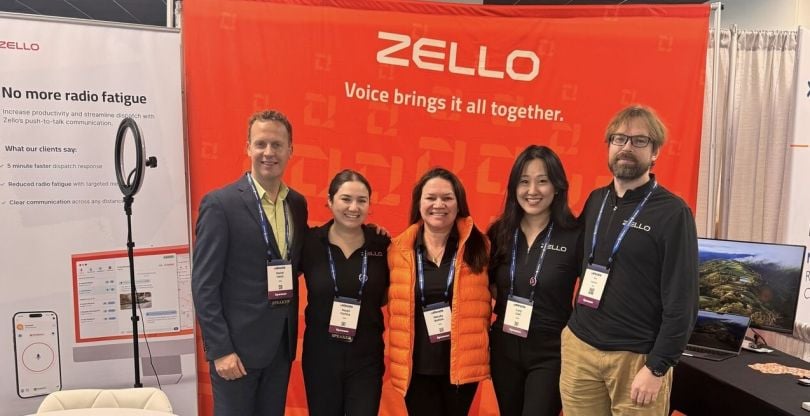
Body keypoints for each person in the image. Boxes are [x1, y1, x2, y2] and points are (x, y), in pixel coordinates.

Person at [559, 105, 699, 416]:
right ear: (609, 146)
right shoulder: (596, 200)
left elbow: (683, 301)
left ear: (655, 152)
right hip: (580, 350)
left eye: (639, 141)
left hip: (636, 359)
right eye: (619, 139)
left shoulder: (673, 213)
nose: (626, 147)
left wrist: (657, 367)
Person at [192, 110, 308, 415]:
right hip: (236, 352)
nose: (268, 153)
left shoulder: (297, 203)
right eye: (261, 144)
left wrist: (367, 235)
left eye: (277, 145)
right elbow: (204, 285)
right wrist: (220, 350)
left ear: (290, 150)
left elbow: (309, 255)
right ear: (248, 148)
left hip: (279, 350)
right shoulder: (221, 204)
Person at [487, 145, 582, 416]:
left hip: (551, 352)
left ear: (557, 186)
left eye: (543, 181)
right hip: (504, 349)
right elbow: (487, 286)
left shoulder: (575, 234)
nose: (532, 191)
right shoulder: (499, 232)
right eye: (524, 182)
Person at [387, 167, 491, 416]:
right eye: (430, 198)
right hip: (416, 368)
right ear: (419, 203)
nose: (438, 205)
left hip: (461, 370)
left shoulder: (480, 247)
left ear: (459, 204)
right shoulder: (398, 250)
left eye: (447, 198)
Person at [301, 169, 390, 416]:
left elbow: (389, 294)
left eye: (362, 200)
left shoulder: (382, 245)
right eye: (345, 199)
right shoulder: (310, 243)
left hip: (366, 356)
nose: (354, 207)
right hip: (321, 355)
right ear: (330, 201)